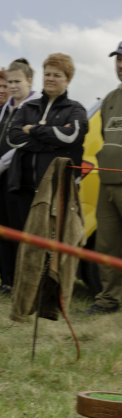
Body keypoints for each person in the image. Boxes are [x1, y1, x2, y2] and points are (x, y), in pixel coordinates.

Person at [7, 53, 87, 243]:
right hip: (23, 189)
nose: (50, 78)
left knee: (51, 247)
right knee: (25, 245)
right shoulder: (28, 107)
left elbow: (70, 136)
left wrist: (34, 129)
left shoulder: (76, 110)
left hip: (56, 192)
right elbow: (12, 137)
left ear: (68, 79)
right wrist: (50, 144)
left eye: (57, 75)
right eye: (47, 73)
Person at [0, 59, 38, 295]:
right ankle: (6, 281)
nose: (12, 86)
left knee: (19, 231)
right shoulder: (1, 110)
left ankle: (22, 282)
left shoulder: (34, 109)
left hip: (19, 180)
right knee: (1, 230)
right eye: (9, 82)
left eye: (17, 81)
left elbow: (24, 144)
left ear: (29, 81)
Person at [83, 42, 122, 315]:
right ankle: (108, 301)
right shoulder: (110, 99)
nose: (120, 64)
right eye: (118, 59)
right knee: (107, 245)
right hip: (106, 182)